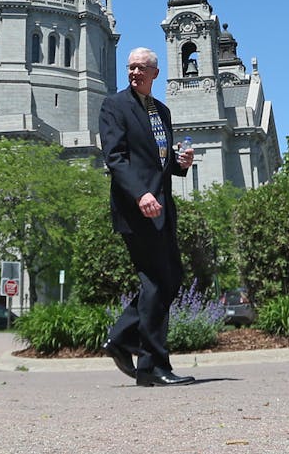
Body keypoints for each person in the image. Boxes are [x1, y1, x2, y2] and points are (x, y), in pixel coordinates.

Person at [99, 47, 196, 387]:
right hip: (136, 207)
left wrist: (180, 164)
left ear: (155, 73)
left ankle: (123, 337)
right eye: (130, 67)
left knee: (170, 279)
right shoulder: (114, 106)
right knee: (155, 281)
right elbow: (116, 158)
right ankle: (153, 365)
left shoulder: (162, 112)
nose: (134, 73)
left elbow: (160, 162)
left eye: (141, 68)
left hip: (162, 206)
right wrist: (140, 194)